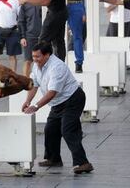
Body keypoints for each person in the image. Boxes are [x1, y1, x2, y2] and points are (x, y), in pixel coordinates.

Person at [22, 42, 93, 174]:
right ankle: (53, 159)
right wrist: (27, 101)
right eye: (33, 56)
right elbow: (35, 85)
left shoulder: (57, 66)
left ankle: (83, 163)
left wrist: (36, 106)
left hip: (72, 99)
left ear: (47, 55)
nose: (35, 59)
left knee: (68, 130)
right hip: (57, 103)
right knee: (50, 129)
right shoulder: (37, 66)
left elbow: (52, 92)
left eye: (38, 56)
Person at [19, 0, 67, 64]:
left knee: (43, 41)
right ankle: (59, 65)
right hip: (55, 11)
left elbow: (45, 1)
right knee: (57, 41)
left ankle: (47, 66)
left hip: (57, 13)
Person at [0, 0, 21, 72]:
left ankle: (13, 76)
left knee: (12, 55)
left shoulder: (15, 1)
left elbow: (20, 16)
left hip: (12, 31)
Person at [18, 0, 42, 77]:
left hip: (42, 35)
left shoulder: (42, 3)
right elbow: (21, 22)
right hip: (29, 36)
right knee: (28, 60)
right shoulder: (24, 5)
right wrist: (22, 37)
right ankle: (25, 82)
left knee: (42, 60)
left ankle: (41, 81)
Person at [66, 0, 86, 73]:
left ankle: (79, 63)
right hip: (60, 4)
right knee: (56, 35)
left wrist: (83, 11)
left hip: (75, 4)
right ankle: (57, 61)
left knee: (77, 36)